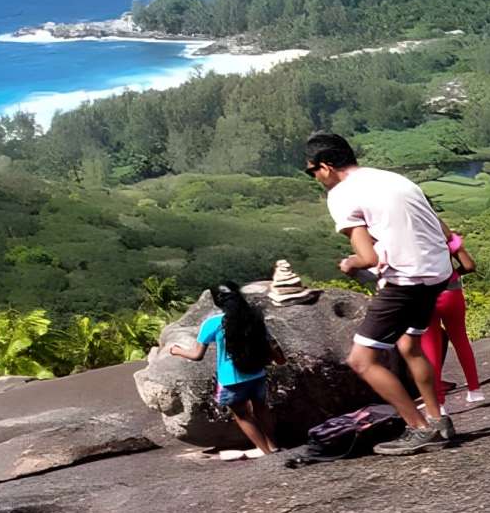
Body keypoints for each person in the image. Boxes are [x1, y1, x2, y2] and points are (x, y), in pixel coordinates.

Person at [305, 132, 454, 456]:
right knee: (409, 345)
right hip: (438, 272)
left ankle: (419, 428)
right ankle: (438, 418)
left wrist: (350, 262)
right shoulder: (391, 178)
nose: (314, 177)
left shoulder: (341, 195)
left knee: (361, 360)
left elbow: (368, 258)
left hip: (406, 279)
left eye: (312, 170)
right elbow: (437, 227)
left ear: (327, 166)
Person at [166, 283, 284, 460]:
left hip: (231, 379)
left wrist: (176, 350)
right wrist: (280, 360)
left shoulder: (213, 323)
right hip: (257, 373)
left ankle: (267, 454)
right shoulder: (254, 317)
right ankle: (274, 446)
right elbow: (270, 344)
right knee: (261, 409)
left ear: (218, 302)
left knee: (243, 415)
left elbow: (197, 355)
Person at [418, 228, 485, 407]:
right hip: (452, 292)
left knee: (430, 346)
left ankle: (438, 403)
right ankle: (475, 390)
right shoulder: (444, 235)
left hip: (423, 297)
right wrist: (454, 274)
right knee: (461, 339)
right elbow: (469, 265)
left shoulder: (405, 238)